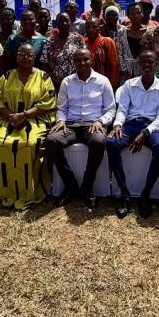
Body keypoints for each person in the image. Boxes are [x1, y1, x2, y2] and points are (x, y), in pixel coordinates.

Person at [0, 43, 57, 209]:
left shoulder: (44, 78)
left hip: (35, 119)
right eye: (22, 54)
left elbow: (48, 103)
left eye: (29, 55)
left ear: (34, 57)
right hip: (8, 119)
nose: (25, 58)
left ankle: (29, 191)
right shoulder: (6, 77)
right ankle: (2, 189)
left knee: (30, 143)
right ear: (16, 56)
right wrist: (12, 117)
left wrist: (24, 115)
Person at [44, 49, 116, 209]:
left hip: (92, 124)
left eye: (85, 59)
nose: (82, 63)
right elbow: (61, 108)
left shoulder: (103, 81)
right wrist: (61, 120)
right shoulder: (67, 82)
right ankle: (71, 186)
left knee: (98, 142)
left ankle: (87, 187)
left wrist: (101, 121)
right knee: (51, 141)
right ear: (73, 62)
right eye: (78, 60)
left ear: (91, 60)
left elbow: (111, 109)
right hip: (70, 124)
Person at [107, 50, 159, 219]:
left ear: (157, 64)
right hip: (130, 124)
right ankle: (124, 193)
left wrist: (145, 133)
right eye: (143, 62)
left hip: (151, 127)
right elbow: (122, 109)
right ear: (139, 64)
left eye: (150, 62)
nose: (147, 65)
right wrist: (117, 124)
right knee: (111, 142)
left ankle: (146, 194)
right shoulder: (129, 85)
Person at [39, 12, 87, 88]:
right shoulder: (49, 41)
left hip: (75, 81)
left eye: (67, 21)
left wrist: (70, 79)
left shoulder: (78, 39)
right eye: (61, 21)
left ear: (70, 22)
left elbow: (84, 59)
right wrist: (55, 81)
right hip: (54, 83)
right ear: (56, 23)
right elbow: (44, 64)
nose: (64, 23)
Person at [84, 16, 121, 88]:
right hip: (86, 83)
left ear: (99, 28)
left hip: (103, 83)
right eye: (88, 27)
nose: (91, 30)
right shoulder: (83, 42)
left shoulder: (107, 41)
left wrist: (112, 85)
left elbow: (114, 64)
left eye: (94, 27)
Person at [102, 5, 136, 80]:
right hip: (106, 65)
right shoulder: (100, 29)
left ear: (118, 16)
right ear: (105, 17)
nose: (111, 17)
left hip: (123, 65)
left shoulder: (123, 29)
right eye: (109, 15)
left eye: (114, 15)